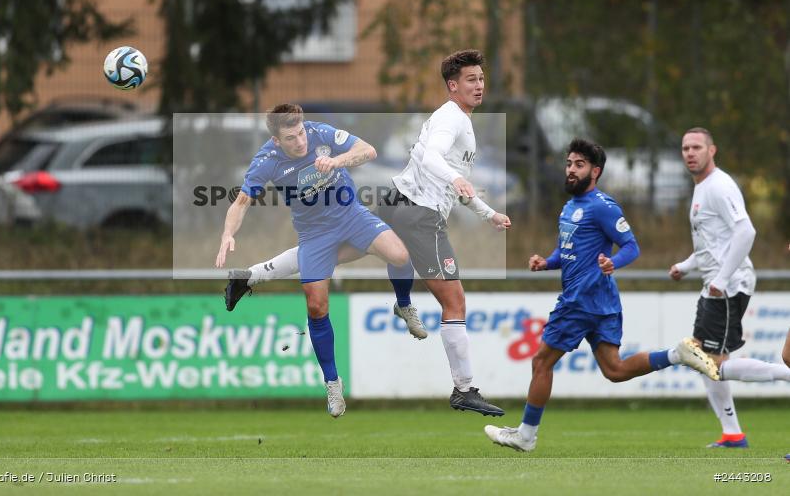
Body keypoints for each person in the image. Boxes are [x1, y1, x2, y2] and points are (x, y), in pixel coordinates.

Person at [225, 49, 512, 417]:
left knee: (366, 255)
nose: (479, 85)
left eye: (481, 79)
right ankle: (464, 387)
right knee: (454, 303)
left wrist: (486, 213)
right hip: (417, 215)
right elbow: (433, 160)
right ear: (452, 86)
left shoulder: (451, 120)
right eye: (471, 79)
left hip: (385, 204)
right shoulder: (450, 120)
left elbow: (387, 156)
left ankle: (251, 277)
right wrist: (455, 177)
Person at [485, 138, 719, 453]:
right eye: (568, 163)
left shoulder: (602, 207)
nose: (570, 170)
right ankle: (677, 355)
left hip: (582, 299)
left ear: (595, 171)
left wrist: (613, 263)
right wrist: (547, 263)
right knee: (614, 370)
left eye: (578, 165)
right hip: (601, 301)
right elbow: (569, 250)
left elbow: (631, 247)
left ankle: (526, 436)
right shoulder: (570, 206)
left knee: (541, 361)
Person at [215, 104, 411, 418]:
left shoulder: (321, 133)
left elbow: (368, 151)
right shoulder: (266, 161)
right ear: (276, 141)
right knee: (316, 306)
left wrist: (336, 160)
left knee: (400, 255)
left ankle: (404, 305)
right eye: (290, 138)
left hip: (352, 217)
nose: (300, 141)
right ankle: (333, 384)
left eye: (301, 132)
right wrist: (227, 234)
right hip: (315, 235)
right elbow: (241, 202)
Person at [667, 128, 790, 449]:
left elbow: (746, 232)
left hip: (728, 287)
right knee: (702, 358)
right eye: (685, 148)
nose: (690, 153)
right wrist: (686, 265)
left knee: (711, 363)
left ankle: (784, 377)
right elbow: (713, 245)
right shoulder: (702, 188)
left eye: (697, 147)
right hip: (715, 287)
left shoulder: (719, 186)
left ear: (712, 151)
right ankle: (732, 433)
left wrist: (722, 278)